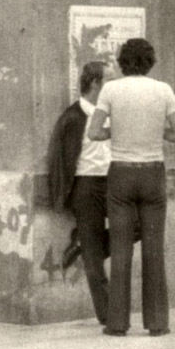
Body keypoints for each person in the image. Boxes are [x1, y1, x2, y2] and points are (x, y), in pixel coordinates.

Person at [87, 38, 175, 337]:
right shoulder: (164, 90)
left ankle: (117, 323)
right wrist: (157, 133)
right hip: (153, 172)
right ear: (150, 62)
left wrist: (116, 132)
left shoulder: (111, 89)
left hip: (121, 173)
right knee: (154, 250)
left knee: (120, 249)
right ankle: (157, 322)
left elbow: (93, 133)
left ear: (121, 62)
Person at [46, 61, 112, 323]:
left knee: (138, 224)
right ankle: (108, 316)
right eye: (110, 80)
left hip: (114, 182)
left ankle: (84, 244)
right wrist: (62, 196)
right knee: (95, 263)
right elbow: (58, 160)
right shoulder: (72, 117)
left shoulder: (110, 112)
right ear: (95, 83)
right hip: (85, 186)